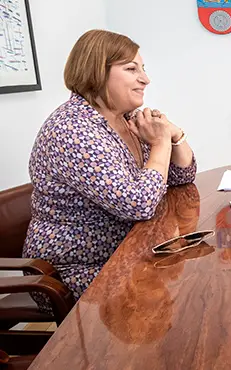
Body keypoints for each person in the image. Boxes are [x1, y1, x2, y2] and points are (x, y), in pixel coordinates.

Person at [22, 29, 197, 310]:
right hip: (78, 268)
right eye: (131, 69)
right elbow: (139, 204)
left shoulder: (127, 119)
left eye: (143, 68)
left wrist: (174, 136)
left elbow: (180, 176)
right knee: (191, 292)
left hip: (128, 249)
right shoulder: (73, 129)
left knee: (195, 279)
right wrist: (161, 142)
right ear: (97, 72)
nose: (145, 79)